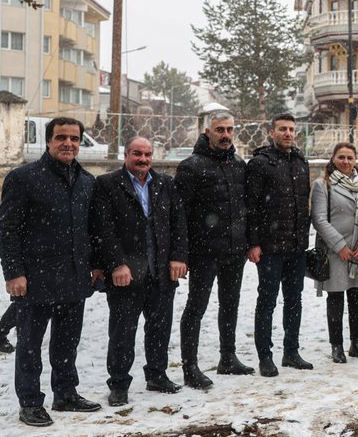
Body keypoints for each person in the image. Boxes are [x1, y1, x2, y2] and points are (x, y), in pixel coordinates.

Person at [0, 116, 101, 427]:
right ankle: (29, 401)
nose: (68, 143)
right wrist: (14, 273)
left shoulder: (87, 182)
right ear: (48, 141)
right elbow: (8, 230)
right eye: (61, 138)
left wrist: (95, 265)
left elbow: (92, 231)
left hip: (75, 276)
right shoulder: (23, 178)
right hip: (35, 279)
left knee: (67, 342)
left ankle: (66, 393)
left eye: (74, 138)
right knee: (30, 344)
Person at [90, 137, 188, 406]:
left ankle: (157, 375)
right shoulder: (108, 184)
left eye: (147, 154)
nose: (142, 159)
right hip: (126, 275)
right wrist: (116, 265)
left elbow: (178, 223)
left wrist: (179, 257)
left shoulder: (165, 184)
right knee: (122, 332)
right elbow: (103, 229)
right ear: (125, 155)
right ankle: (119, 384)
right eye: (137, 154)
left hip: (160, 272)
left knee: (159, 328)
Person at [176, 110, 252, 389]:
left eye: (230, 130)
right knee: (197, 307)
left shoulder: (239, 165)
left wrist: (247, 242)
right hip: (204, 252)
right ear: (208, 132)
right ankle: (190, 367)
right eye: (220, 130)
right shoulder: (191, 167)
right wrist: (180, 254)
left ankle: (228, 357)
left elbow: (246, 208)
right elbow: (179, 215)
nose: (226, 135)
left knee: (230, 304)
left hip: (234, 250)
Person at [246, 113, 312, 378]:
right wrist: (253, 243)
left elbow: (303, 202)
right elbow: (250, 206)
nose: (288, 133)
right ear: (271, 133)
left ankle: (291, 352)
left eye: (291, 129)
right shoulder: (260, 164)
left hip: (296, 246)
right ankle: (265, 356)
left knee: (294, 301)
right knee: (267, 302)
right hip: (270, 247)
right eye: (282, 129)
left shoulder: (300, 162)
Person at [311, 142, 358, 364]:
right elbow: (319, 219)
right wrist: (340, 246)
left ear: (355, 160)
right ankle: (336, 346)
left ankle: (356, 344)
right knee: (336, 298)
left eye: (350, 158)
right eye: (341, 157)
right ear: (333, 159)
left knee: (357, 298)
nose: (346, 162)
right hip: (336, 251)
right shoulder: (322, 184)